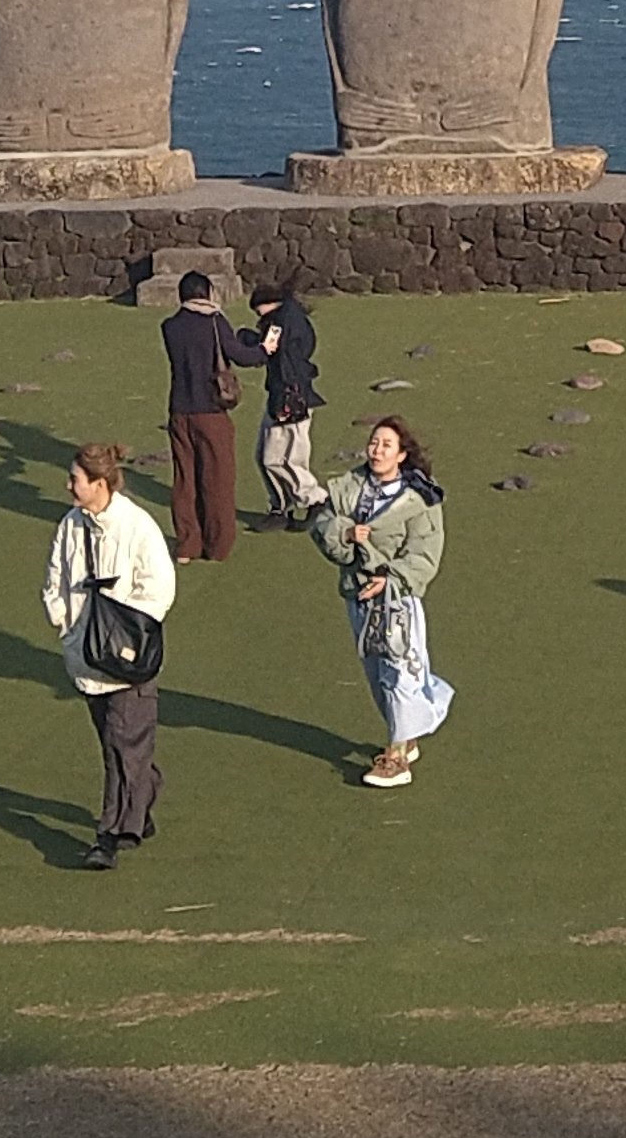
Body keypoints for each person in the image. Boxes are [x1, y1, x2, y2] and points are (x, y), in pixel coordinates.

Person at [43, 438, 178, 868]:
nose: (69, 486)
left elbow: (159, 587)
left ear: (100, 483)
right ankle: (144, 794)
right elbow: (54, 579)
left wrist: (125, 633)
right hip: (85, 657)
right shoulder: (70, 525)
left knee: (120, 746)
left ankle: (110, 834)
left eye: (75, 479)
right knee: (117, 742)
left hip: (128, 661)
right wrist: (66, 625)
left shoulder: (138, 527)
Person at [313, 414, 451, 786]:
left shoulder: (421, 500)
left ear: (402, 454)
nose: (376, 450)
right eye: (374, 442)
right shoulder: (349, 487)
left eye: (386, 445)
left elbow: (424, 553)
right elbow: (323, 522)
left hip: (397, 600)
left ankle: (395, 758)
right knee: (377, 674)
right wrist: (344, 533)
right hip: (358, 595)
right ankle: (406, 734)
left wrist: (389, 579)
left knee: (400, 670)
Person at [157, 274, 242, 563]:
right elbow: (238, 354)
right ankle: (218, 545)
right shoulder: (215, 322)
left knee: (185, 479)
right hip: (211, 411)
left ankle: (187, 544)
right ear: (207, 293)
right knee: (217, 479)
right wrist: (265, 350)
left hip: (180, 410)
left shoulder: (170, 326)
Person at [251, 279, 325, 528]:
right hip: (293, 395)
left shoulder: (280, 323)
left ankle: (313, 500)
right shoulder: (290, 319)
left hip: (289, 399)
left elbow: (279, 359)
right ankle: (282, 506)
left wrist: (283, 401)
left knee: (278, 458)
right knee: (272, 456)